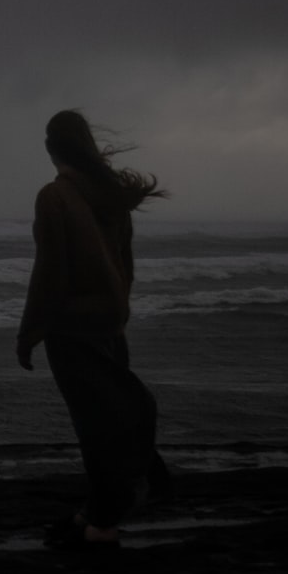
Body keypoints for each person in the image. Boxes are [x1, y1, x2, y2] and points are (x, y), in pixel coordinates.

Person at [17, 109, 170, 549]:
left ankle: (102, 524)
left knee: (94, 427)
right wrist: (117, 310)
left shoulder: (54, 196)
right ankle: (97, 509)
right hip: (109, 325)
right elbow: (125, 265)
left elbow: (50, 273)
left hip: (71, 332)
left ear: (51, 150)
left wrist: (28, 335)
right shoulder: (109, 195)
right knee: (111, 417)